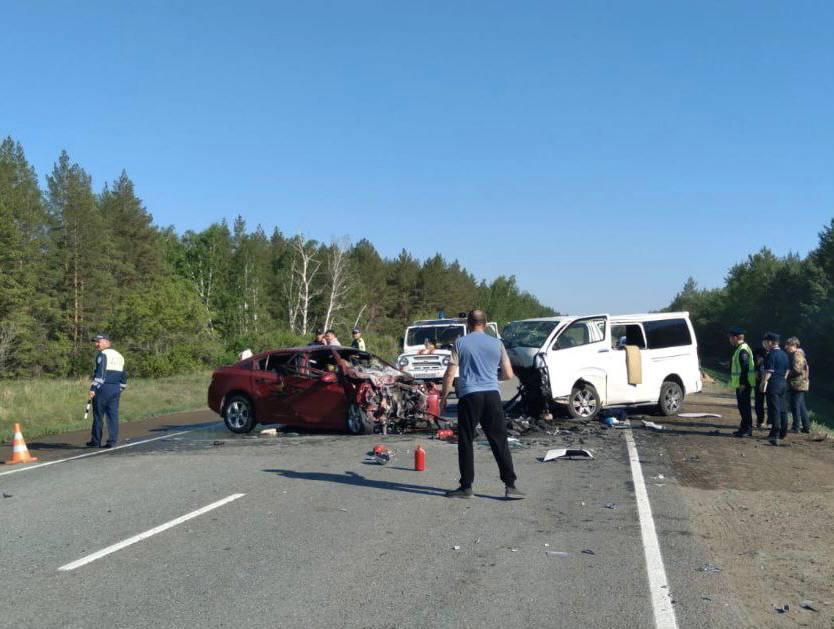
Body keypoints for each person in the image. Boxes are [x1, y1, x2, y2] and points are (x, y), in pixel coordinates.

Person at [440, 309, 523, 500]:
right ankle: (510, 486)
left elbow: (450, 373)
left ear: (468, 324)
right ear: (485, 324)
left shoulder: (461, 343)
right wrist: (493, 379)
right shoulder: (497, 343)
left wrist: (444, 397)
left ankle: (466, 487)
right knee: (499, 441)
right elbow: (509, 374)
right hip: (492, 395)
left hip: (470, 396)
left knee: (466, 441)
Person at [86, 334, 127, 448]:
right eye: (96, 342)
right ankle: (112, 441)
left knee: (98, 415)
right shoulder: (119, 355)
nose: (96, 344)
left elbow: (101, 374)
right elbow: (124, 374)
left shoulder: (103, 354)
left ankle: (96, 441)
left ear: (107, 342)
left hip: (103, 388)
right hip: (115, 388)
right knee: (112, 415)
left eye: (99, 342)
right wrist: (121, 387)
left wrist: (93, 388)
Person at [761, 332, 790, 446]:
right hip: (783, 382)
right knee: (782, 408)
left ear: (770, 342)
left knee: (774, 408)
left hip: (774, 382)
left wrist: (764, 382)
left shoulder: (771, 354)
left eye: (766, 341)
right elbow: (788, 370)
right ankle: (783, 431)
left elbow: (769, 371)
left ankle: (775, 432)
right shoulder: (784, 354)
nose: (765, 344)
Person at [728, 327, 756, 437]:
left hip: (744, 384)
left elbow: (745, 367)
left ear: (735, 338)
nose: (729, 340)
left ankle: (747, 429)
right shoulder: (740, 348)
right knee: (743, 406)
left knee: (744, 407)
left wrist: (743, 383)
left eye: (730, 338)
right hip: (742, 383)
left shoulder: (742, 350)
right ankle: (743, 428)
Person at [785, 337, 811, 433]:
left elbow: (797, 370)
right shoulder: (797, 354)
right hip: (799, 383)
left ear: (794, 345)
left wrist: (787, 375)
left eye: (788, 345)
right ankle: (806, 426)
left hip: (798, 384)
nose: (786, 347)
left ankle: (796, 427)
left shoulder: (797, 354)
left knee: (795, 405)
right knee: (801, 405)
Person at [753, 341, 769, 429]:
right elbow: (753, 362)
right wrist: (755, 370)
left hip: (769, 380)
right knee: (758, 402)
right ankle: (760, 421)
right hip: (759, 379)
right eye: (765, 342)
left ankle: (770, 422)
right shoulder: (757, 351)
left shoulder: (773, 352)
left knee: (770, 402)